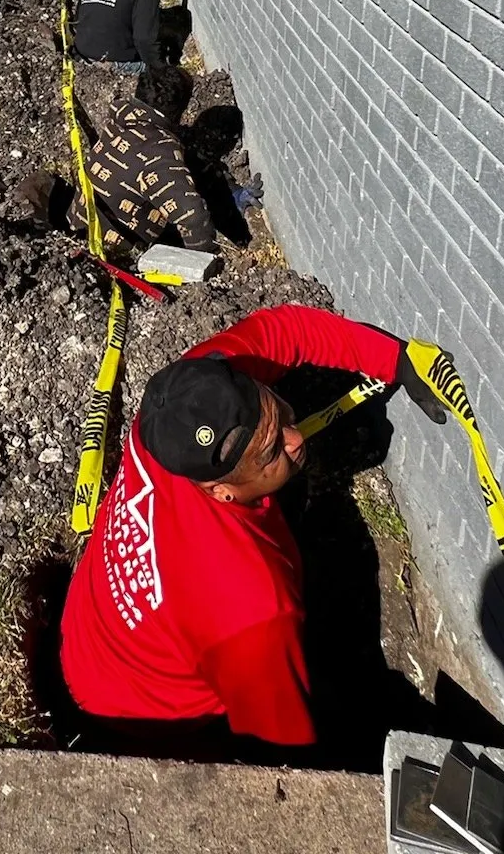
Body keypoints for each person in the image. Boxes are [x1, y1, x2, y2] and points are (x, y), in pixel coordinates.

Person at [60, 303, 450, 754]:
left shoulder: (178, 412)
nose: (297, 437)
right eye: (270, 453)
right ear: (220, 490)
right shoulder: (253, 604)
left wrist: (396, 357)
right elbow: (279, 747)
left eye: (279, 410)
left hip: (95, 630)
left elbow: (282, 331)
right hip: (142, 717)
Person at [69, 66, 215, 254]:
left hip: (76, 225)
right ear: (180, 110)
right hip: (117, 255)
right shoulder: (159, 151)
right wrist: (203, 259)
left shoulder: (120, 119)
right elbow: (193, 217)